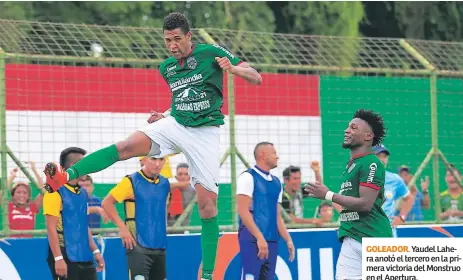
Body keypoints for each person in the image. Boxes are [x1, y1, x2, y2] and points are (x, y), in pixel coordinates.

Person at [42, 12, 261, 280]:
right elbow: (184, 99)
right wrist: (166, 116)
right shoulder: (167, 68)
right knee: (125, 146)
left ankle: (206, 274)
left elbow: (255, 76)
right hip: (176, 124)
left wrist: (234, 68)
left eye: (177, 39)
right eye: (168, 40)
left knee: (208, 206)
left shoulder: (211, 53)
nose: (172, 46)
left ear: (189, 36)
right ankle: (65, 176)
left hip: (205, 133)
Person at [305, 109, 393, 280]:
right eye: (347, 127)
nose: (347, 130)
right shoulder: (352, 164)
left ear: (368, 136)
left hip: (373, 239)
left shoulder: (371, 162)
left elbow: (366, 204)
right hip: (351, 237)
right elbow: (351, 203)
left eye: (353, 128)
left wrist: (328, 195)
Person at [102, 156, 183, 280]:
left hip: (159, 246)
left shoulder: (164, 183)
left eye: (161, 159)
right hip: (137, 245)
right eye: (153, 159)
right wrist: (122, 229)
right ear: (143, 160)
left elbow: (162, 209)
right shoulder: (131, 181)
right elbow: (107, 203)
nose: (157, 164)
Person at [43, 147, 105, 280]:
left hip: (84, 254)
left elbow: (83, 225)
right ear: (73, 166)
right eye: (84, 163)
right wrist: (58, 258)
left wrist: (95, 251)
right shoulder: (54, 192)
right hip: (64, 255)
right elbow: (51, 228)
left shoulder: (82, 193)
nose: (88, 166)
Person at [236, 142, 294, 279]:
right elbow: (243, 211)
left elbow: (277, 216)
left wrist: (288, 239)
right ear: (263, 155)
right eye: (274, 153)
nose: (277, 157)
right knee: (250, 276)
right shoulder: (248, 177)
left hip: (272, 239)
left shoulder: (276, 182)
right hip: (251, 239)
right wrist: (259, 237)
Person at [373, 145, 414, 237]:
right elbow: (338, 201)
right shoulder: (359, 178)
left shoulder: (395, 179)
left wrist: (401, 217)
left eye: (385, 156)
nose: (382, 159)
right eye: (378, 156)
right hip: (365, 234)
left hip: (388, 233)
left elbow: (409, 198)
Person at [1, 162, 44, 238]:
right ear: (13, 195)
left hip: (28, 244)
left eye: (25, 193)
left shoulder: (32, 207)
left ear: (28, 196)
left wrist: (34, 170)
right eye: (18, 192)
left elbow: (44, 190)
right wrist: (11, 177)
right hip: (11, 244)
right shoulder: (9, 206)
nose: (21, 195)